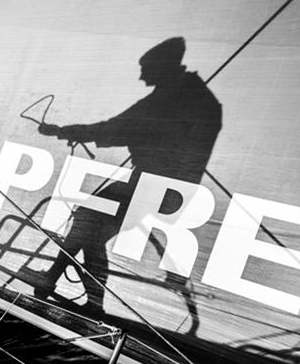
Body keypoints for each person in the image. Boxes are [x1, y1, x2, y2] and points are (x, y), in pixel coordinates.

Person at [37, 37, 221, 318]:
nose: (141, 75)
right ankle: (62, 283)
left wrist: (63, 130)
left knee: (88, 218)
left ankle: (62, 285)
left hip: (154, 186)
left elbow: (116, 128)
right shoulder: (194, 97)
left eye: (145, 68)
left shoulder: (169, 101)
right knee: (91, 223)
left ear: (162, 67)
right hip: (168, 187)